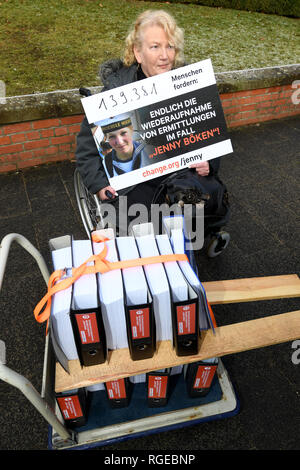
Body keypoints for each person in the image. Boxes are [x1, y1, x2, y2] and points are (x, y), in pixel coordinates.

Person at [75, 9, 220, 221]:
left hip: (181, 172)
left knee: (208, 204)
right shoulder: (116, 90)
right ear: (138, 52)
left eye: (169, 46)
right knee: (143, 222)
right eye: (155, 47)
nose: (165, 55)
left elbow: (209, 134)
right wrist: (98, 185)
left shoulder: (189, 84)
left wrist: (209, 162)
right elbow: (87, 149)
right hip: (135, 180)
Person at [97, 113, 150, 179]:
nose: (119, 142)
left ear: (131, 130)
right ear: (106, 138)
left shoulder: (151, 152)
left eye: (123, 133)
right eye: (112, 136)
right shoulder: (106, 163)